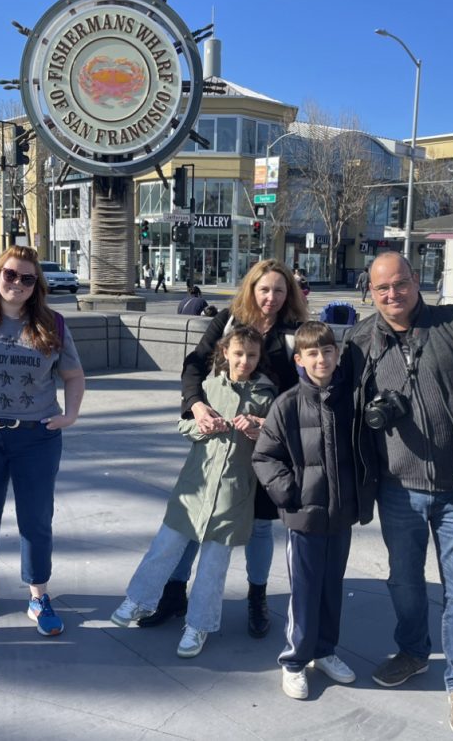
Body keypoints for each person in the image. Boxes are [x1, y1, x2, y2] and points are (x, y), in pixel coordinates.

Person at [340, 252, 453, 738]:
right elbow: (334, 405)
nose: (392, 295)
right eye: (381, 289)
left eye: (400, 284)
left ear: (416, 281)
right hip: (395, 489)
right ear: (370, 291)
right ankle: (413, 651)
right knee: (403, 581)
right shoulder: (361, 340)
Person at [139, 259, 310, 637]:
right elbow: (194, 364)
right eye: (264, 289)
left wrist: (271, 425)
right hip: (220, 445)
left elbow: (305, 393)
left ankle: (257, 598)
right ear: (251, 289)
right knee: (193, 521)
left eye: (279, 290)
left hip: (267, 447)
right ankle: (173, 593)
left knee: (261, 528)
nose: (271, 297)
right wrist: (196, 404)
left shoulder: (296, 333)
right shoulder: (230, 322)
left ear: (289, 294)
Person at [112, 325, 276, 657]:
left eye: (252, 355)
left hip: (233, 494)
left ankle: (198, 625)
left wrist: (259, 429)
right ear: (225, 353)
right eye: (239, 353)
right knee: (164, 547)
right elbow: (183, 424)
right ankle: (139, 600)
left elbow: (277, 438)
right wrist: (201, 425)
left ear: (259, 358)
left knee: (213, 567)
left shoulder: (266, 395)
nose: (244, 361)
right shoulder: (209, 387)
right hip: (194, 488)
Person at [0, 245, 85, 637]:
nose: (18, 284)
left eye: (28, 278)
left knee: (36, 519)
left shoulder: (51, 324)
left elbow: (73, 376)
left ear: (36, 284)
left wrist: (70, 415)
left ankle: (39, 595)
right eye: (11, 274)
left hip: (36, 438)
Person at [253, 321, 376, 700]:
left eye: (327, 351)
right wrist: (290, 494)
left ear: (337, 355)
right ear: (299, 360)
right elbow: (265, 456)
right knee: (304, 589)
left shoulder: (351, 400)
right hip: (305, 516)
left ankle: (324, 651)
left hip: (341, 514)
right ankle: (294, 660)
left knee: (331, 587)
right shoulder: (287, 403)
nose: (321, 359)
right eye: (313, 353)